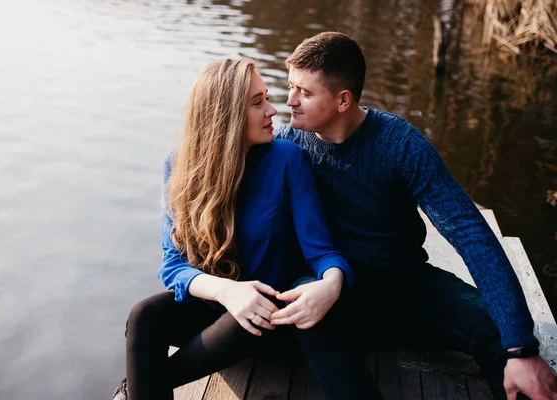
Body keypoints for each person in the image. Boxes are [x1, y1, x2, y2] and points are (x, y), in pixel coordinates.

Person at [270, 32, 557, 399]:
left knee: (500, 332)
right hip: (331, 287)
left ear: (343, 100)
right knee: (304, 307)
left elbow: (469, 232)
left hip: (402, 284)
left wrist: (520, 348)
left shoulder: (401, 145)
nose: (289, 101)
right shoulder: (289, 146)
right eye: (290, 86)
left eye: (304, 93)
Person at [111, 57, 355, 400]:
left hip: (265, 322)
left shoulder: (287, 159)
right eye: (257, 103)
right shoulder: (178, 166)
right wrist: (227, 292)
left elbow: (323, 252)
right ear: (223, 115)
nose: (273, 110)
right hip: (213, 306)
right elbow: (173, 266)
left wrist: (331, 283)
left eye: (267, 97)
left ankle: (141, 385)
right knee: (143, 316)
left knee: (257, 303)